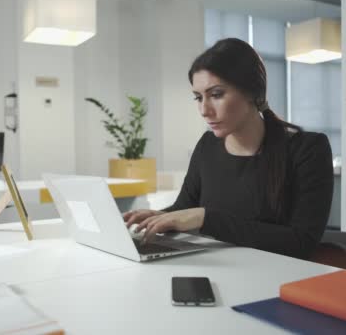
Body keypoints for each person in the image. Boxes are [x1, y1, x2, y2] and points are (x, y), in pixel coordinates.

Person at [124, 38, 334, 259]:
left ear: (253, 92)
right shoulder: (207, 146)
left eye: (216, 95)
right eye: (198, 97)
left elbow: (302, 242)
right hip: (220, 268)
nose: (204, 110)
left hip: (278, 278)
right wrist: (155, 218)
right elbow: (185, 208)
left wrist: (206, 218)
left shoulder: (308, 149)